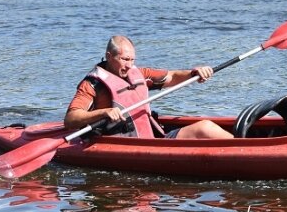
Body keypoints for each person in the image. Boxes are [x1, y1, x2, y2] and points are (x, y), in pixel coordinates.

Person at [64, 35, 234, 140]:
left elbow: (172, 76)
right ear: (109, 56)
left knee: (206, 127)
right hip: (120, 143)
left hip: (152, 138)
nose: (129, 65)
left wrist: (193, 73)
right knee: (204, 128)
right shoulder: (92, 84)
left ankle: (241, 147)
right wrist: (104, 112)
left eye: (132, 60)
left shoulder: (140, 73)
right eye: (124, 59)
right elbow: (71, 119)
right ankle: (242, 150)